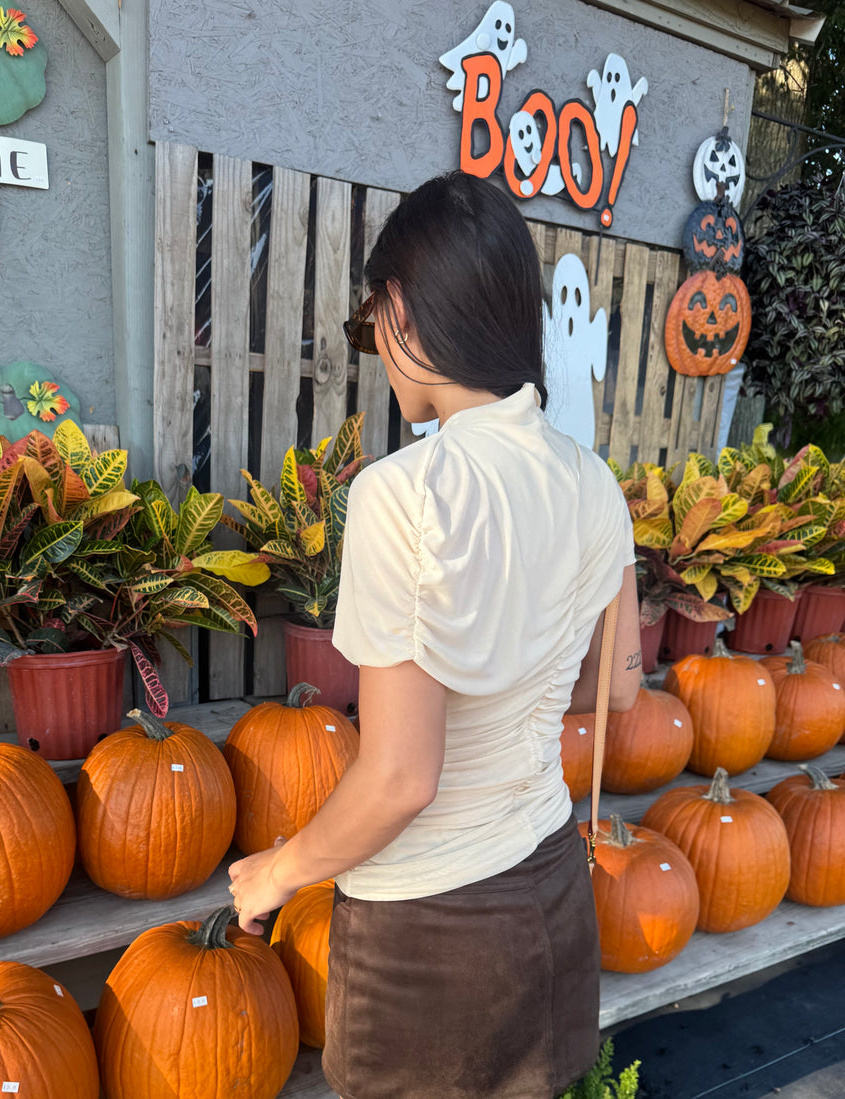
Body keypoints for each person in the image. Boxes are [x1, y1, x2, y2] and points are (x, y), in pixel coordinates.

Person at [228, 170, 641, 1099]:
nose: (375, 343)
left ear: (404, 312)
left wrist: (274, 875)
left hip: (432, 933)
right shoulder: (594, 485)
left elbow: (404, 778)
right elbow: (616, 686)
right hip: (549, 883)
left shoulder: (405, 495)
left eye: (372, 319)